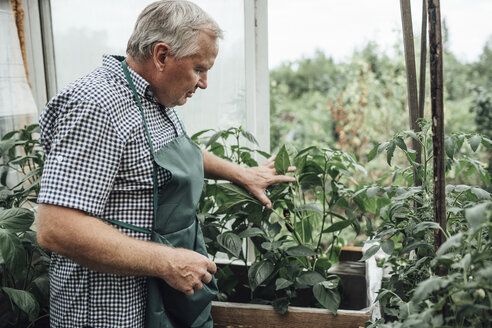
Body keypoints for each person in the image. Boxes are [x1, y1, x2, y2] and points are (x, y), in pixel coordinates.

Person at [36, 1, 295, 327]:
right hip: (110, 312)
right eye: (199, 69)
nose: (203, 84)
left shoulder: (153, 96)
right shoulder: (96, 105)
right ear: (161, 55)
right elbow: (57, 229)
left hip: (157, 302)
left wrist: (243, 174)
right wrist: (167, 261)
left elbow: (176, 150)